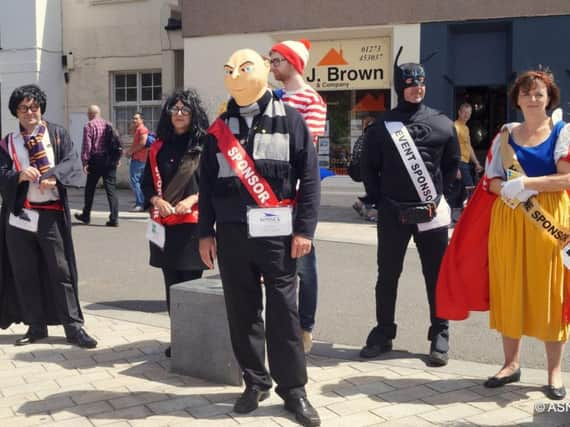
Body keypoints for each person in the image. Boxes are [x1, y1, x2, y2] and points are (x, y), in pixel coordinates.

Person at [199, 48, 321, 426]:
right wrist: (205, 232)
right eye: (230, 68)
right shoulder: (220, 127)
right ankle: (255, 382)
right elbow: (205, 185)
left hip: (277, 234)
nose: (236, 74)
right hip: (233, 233)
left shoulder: (291, 119)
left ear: (265, 71)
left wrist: (304, 230)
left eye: (245, 67)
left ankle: (293, 390)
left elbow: (311, 179)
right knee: (242, 310)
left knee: (284, 313)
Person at [437, 70, 570, 400]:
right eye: (526, 93)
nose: (532, 98)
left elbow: (567, 179)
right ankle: (511, 364)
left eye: (538, 93)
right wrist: (506, 187)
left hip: (549, 220)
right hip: (509, 219)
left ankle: (554, 372)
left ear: (549, 97)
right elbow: (491, 182)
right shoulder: (506, 136)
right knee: (509, 288)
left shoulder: (563, 133)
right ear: (518, 99)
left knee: (550, 294)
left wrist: (526, 184)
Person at [359, 47, 460, 366]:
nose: (418, 87)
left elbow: (450, 168)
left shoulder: (443, 123)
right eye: (411, 82)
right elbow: (368, 169)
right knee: (387, 274)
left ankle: (440, 331)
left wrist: (438, 199)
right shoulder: (381, 126)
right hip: (392, 213)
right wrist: (380, 201)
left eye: (422, 82)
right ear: (399, 86)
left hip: (430, 213)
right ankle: (383, 332)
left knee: (436, 276)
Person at [0, 84, 97, 348]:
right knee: (25, 272)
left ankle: (73, 327)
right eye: (23, 108)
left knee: (60, 271)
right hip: (19, 217)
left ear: (41, 107)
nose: (29, 112)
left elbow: (72, 162)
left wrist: (54, 176)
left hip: (50, 216)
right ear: (16, 112)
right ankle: (36, 326)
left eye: (34, 107)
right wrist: (18, 175)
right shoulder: (9, 142)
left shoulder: (56, 134)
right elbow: (1, 173)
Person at [141, 89, 209, 358]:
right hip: (164, 226)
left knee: (191, 287)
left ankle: (197, 341)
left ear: (194, 114)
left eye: (185, 109)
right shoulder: (158, 147)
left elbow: (215, 187)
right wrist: (156, 200)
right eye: (175, 109)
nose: (179, 114)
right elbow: (146, 184)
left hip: (193, 228)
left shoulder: (205, 145)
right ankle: (179, 338)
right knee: (171, 287)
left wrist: (193, 199)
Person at [269, 39, 327, 353]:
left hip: (296, 195)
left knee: (305, 266)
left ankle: (305, 326)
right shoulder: (268, 98)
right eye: (271, 60)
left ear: (294, 63)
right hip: (268, 196)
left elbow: (307, 150)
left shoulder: (311, 100)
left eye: (277, 59)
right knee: (274, 264)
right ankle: (282, 325)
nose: (272, 65)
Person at [75, 105, 120, 227]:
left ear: (90, 114)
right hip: (110, 160)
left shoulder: (89, 125)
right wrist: (117, 158)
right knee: (111, 190)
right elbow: (116, 142)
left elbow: (87, 145)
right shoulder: (109, 124)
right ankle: (114, 218)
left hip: (96, 160)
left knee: (90, 189)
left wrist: (85, 162)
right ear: (99, 113)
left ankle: (86, 215)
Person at [447, 103, 483, 221]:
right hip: (459, 162)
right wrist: (455, 167)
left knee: (460, 190)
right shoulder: (455, 127)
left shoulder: (466, 128)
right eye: (465, 113)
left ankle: (457, 217)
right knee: (469, 188)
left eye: (469, 113)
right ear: (459, 112)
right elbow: (452, 148)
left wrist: (476, 162)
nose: (467, 115)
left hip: (466, 163)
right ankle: (469, 216)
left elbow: (469, 147)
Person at [350, 115, 377, 222]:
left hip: (360, 168)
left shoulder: (361, 137)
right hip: (368, 169)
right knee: (374, 190)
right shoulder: (371, 137)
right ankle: (370, 214)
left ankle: (359, 204)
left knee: (372, 189)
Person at [126, 112, 148, 212]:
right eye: (133, 118)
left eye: (136, 119)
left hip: (139, 160)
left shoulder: (142, 129)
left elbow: (142, 143)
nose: (134, 120)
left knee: (135, 181)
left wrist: (130, 151)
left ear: (141, 120)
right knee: (141, 182)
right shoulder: (138, 130)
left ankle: (140, 204)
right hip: (141, 159)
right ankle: (141, 202)